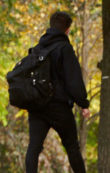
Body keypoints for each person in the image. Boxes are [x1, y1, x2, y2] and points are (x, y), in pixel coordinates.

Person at [23, 11, 89, 173]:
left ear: (50, 26)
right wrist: (83, 103)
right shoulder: (65, 49)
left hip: (37, 107)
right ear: (67, 30)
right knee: (72, 146)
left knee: (33, 148)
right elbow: (74, 81)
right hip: (58, 107)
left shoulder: (37, 49)